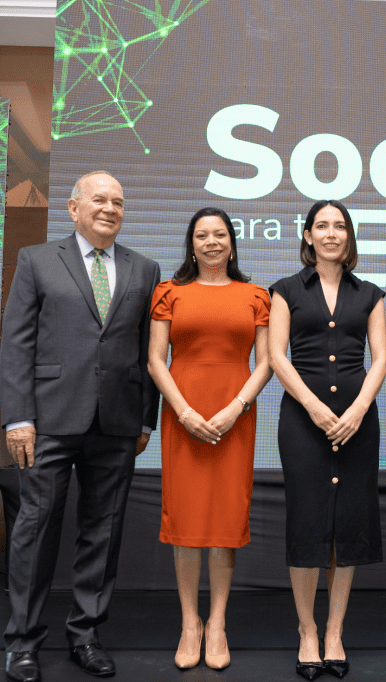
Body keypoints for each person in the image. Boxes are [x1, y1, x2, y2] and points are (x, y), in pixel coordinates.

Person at [0, 171, 161, 682]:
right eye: (99, 199)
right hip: (47, 421)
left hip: (117, 423)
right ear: (73, 208)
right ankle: (23, 642)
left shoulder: (145, 268)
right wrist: (18, 417)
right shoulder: (37, 260)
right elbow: (16, 342)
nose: (110, 208)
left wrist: (144, 419)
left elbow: (147, 351)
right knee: (35, 528)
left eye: (118, 201)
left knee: (103, 531)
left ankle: (85, 635)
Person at [147, 207, 272, 671]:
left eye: (220, 234)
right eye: (202, 235)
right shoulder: (169, 293)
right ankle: (189, 623)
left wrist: (234, 408)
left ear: (232, 243)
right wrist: (182, 410)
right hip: (182, 414)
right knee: (186, 519)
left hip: (234, 415)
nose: (212, 242)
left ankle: (217, 621)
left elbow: (265, 362)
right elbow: (156, 360)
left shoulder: (257, 295)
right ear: (191, 243)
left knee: (223, 520)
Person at [268, 200, 386, 680]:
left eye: (340, 226)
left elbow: (380, 359)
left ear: (350, 236)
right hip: (302, 423)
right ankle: (307, 631)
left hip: (359, 423)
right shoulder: (284, 290)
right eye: (323, 225)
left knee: (347, 526)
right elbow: (277, 356)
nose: (332, 233)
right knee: (308, 523)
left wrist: (356, 410)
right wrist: (316, 408)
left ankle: (335, 630)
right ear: (308, 236)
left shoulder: (372, 293)